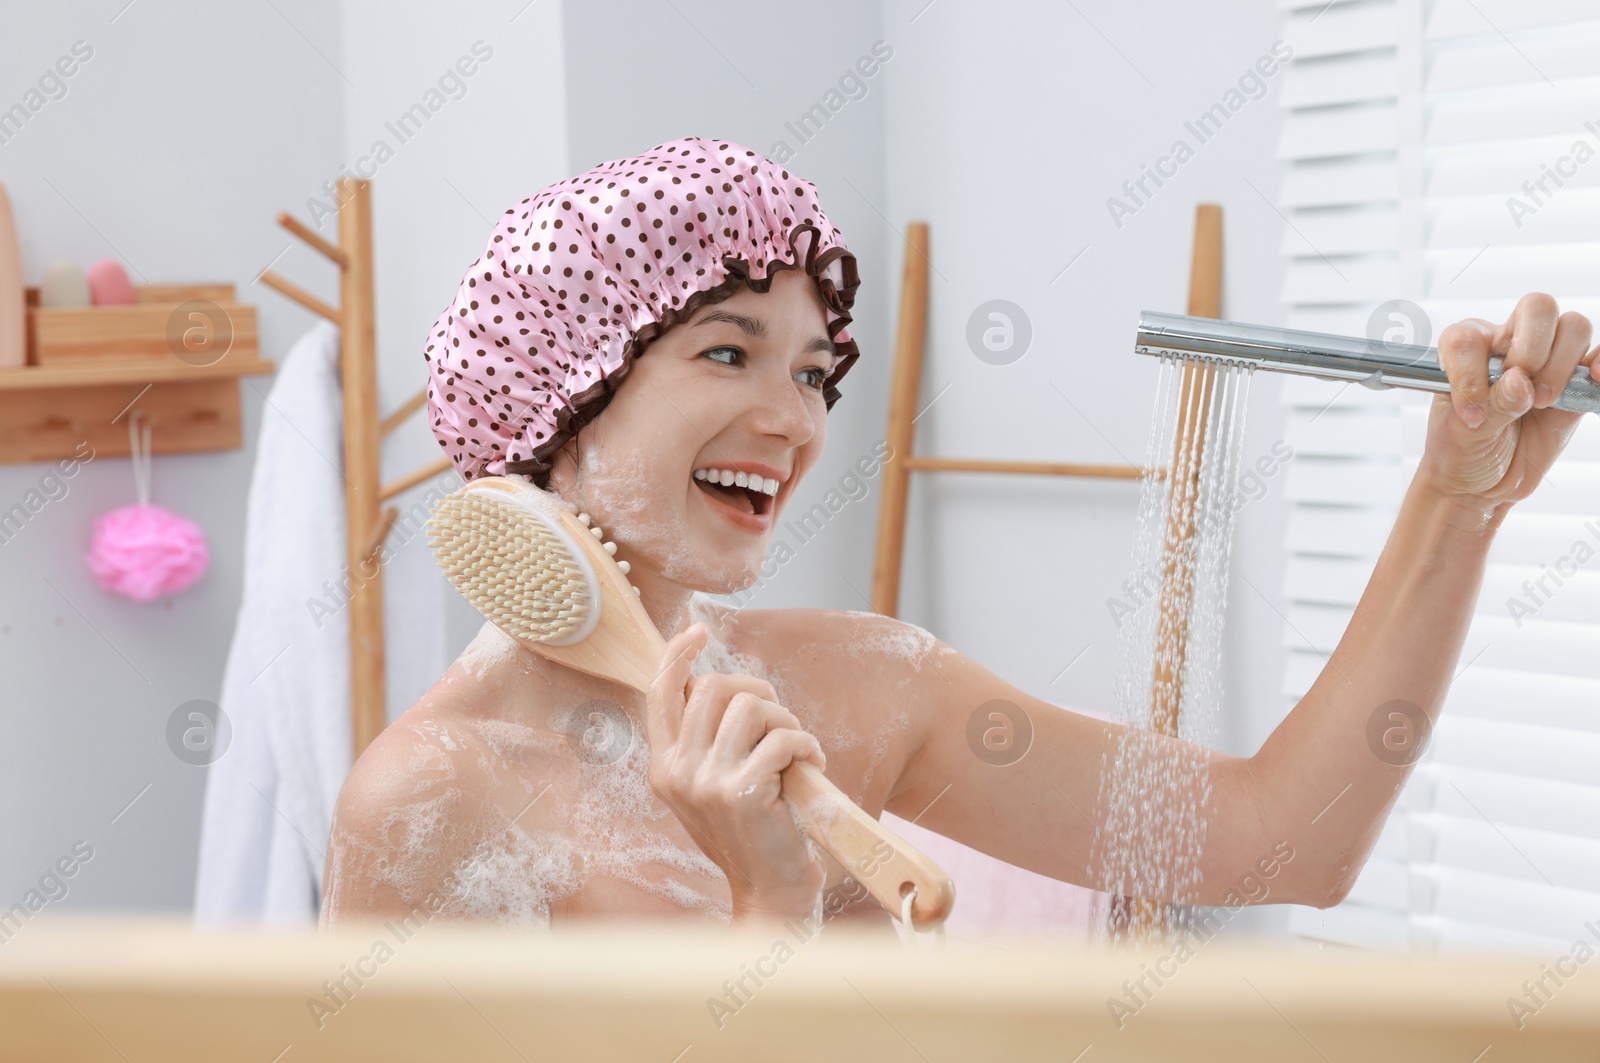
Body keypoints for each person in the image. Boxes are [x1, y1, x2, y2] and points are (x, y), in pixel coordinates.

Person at [320, 136, 1595, 933]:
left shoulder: (862, 687)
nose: (793, 418)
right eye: (727, 352)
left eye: (816, 372)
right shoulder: (431, 794)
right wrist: (769, 908)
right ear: (558, 403)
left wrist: (1460, 498)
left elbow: (1283, 840)